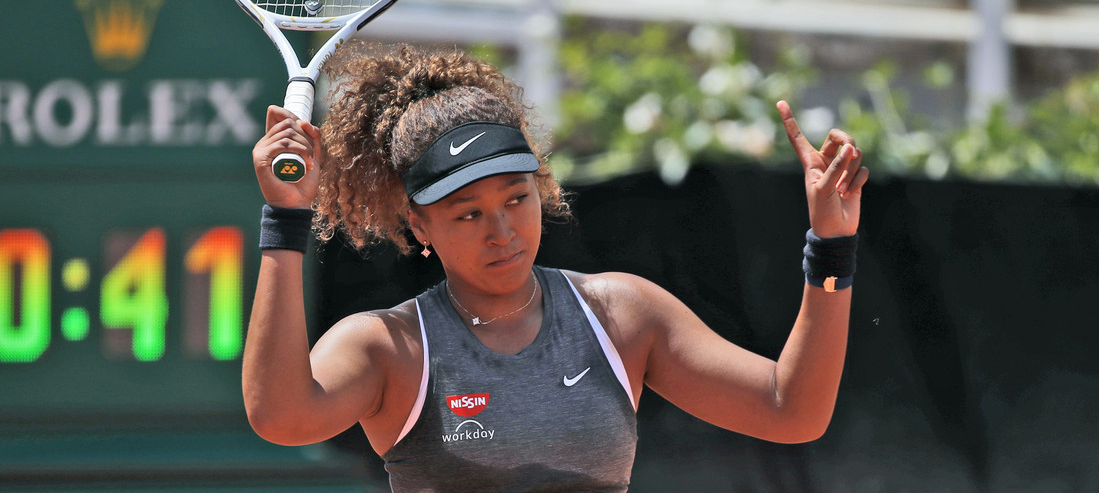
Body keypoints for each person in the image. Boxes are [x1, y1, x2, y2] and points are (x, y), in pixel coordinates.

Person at [244, 42, 868, 492]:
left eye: (517, 198)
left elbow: (793, 411)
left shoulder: (621, 315)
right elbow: (281, 417)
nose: (503, 230)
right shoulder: (389, 348)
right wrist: (286, 221)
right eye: (468, 215)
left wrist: (831, 245)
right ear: (418, 225)